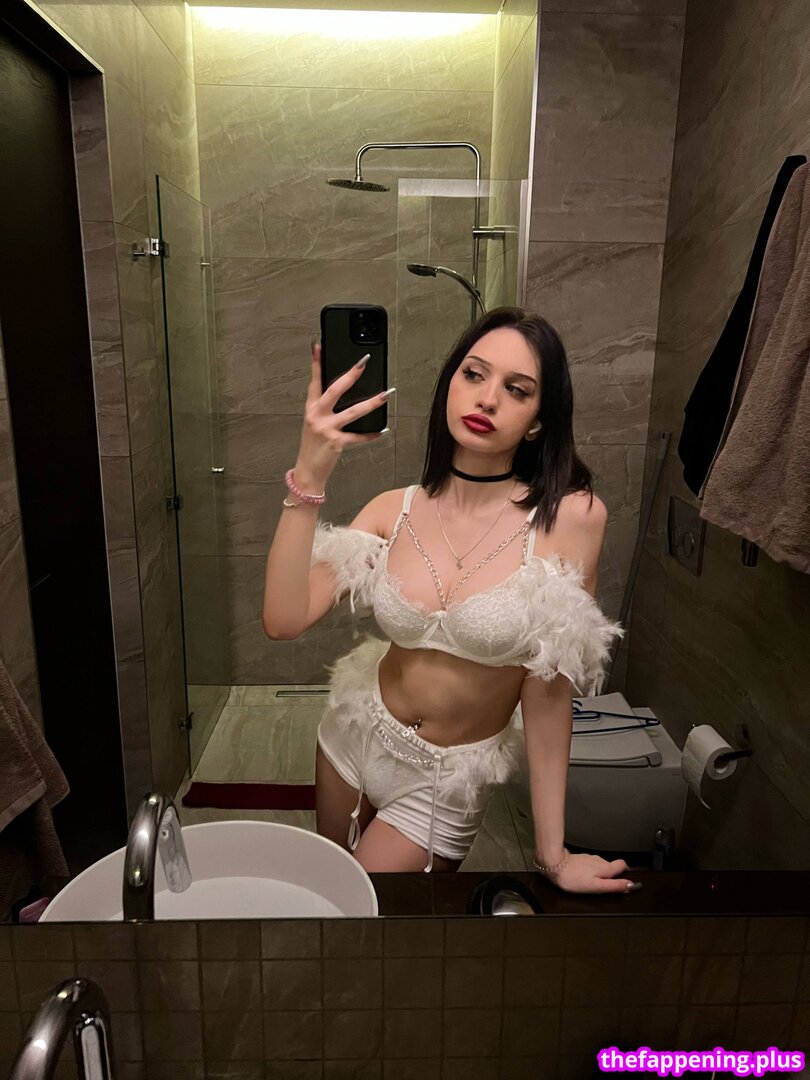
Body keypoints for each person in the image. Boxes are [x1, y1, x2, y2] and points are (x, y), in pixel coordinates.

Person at [263, 307, 641, 895]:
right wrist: (310, 474)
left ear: (539, 421)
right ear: (449, 386)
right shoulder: (392, 510)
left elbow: (548, 692)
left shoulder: (570, 518)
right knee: (331, 900)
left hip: (447, 779)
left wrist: (553, 856)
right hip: (354, 734)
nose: (487, 398)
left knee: (369, 908)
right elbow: (284, 620)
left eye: (517, 389)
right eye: (474, 374)